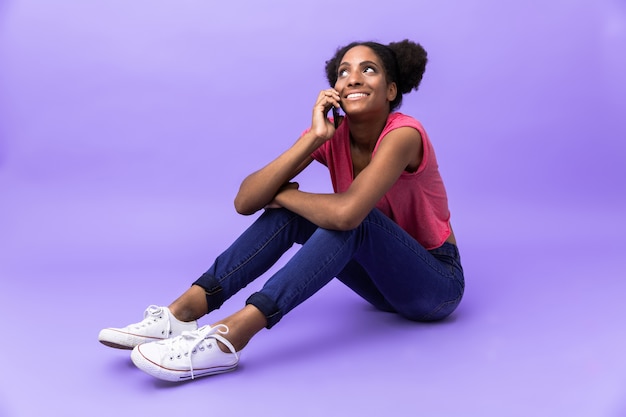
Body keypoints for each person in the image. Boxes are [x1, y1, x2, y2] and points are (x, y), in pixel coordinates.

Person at [98, 39, 465, 382]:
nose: (353, 77)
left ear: (391, 90)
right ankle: (183, 313)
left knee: (351, 217)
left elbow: (348, 214)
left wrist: (287, 196)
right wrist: (314, 138)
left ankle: (231, 336)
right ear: (335, 89)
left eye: (368, 69)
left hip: (434, 285)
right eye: (343, 71)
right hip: (380, 283)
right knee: (310, 215)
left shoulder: (404, 134)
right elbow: (246, 201)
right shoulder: (331, 135)